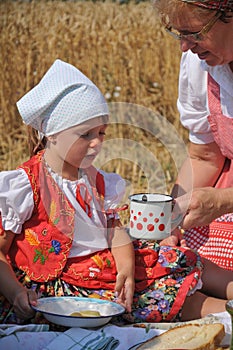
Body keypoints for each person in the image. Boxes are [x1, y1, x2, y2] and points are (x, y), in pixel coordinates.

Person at [0, 59, 232, 329]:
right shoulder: (24, 185)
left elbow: (114, 228)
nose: (97, 143)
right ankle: (217, 313)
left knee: (178, 260)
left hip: (107, 267)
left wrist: (127, 269)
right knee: (160, 298)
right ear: (52, 134)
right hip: (59, 286)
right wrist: (15, 293)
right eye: (85, 134)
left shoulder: (97, 180)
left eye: (101, 132)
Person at [153, 0, 233, 271]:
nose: (185, 46)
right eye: (178, 33)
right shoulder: (199, 65)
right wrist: (170, 218)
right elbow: (205, 157)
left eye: (195, 33)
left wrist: (224, 201)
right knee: (177, 265)